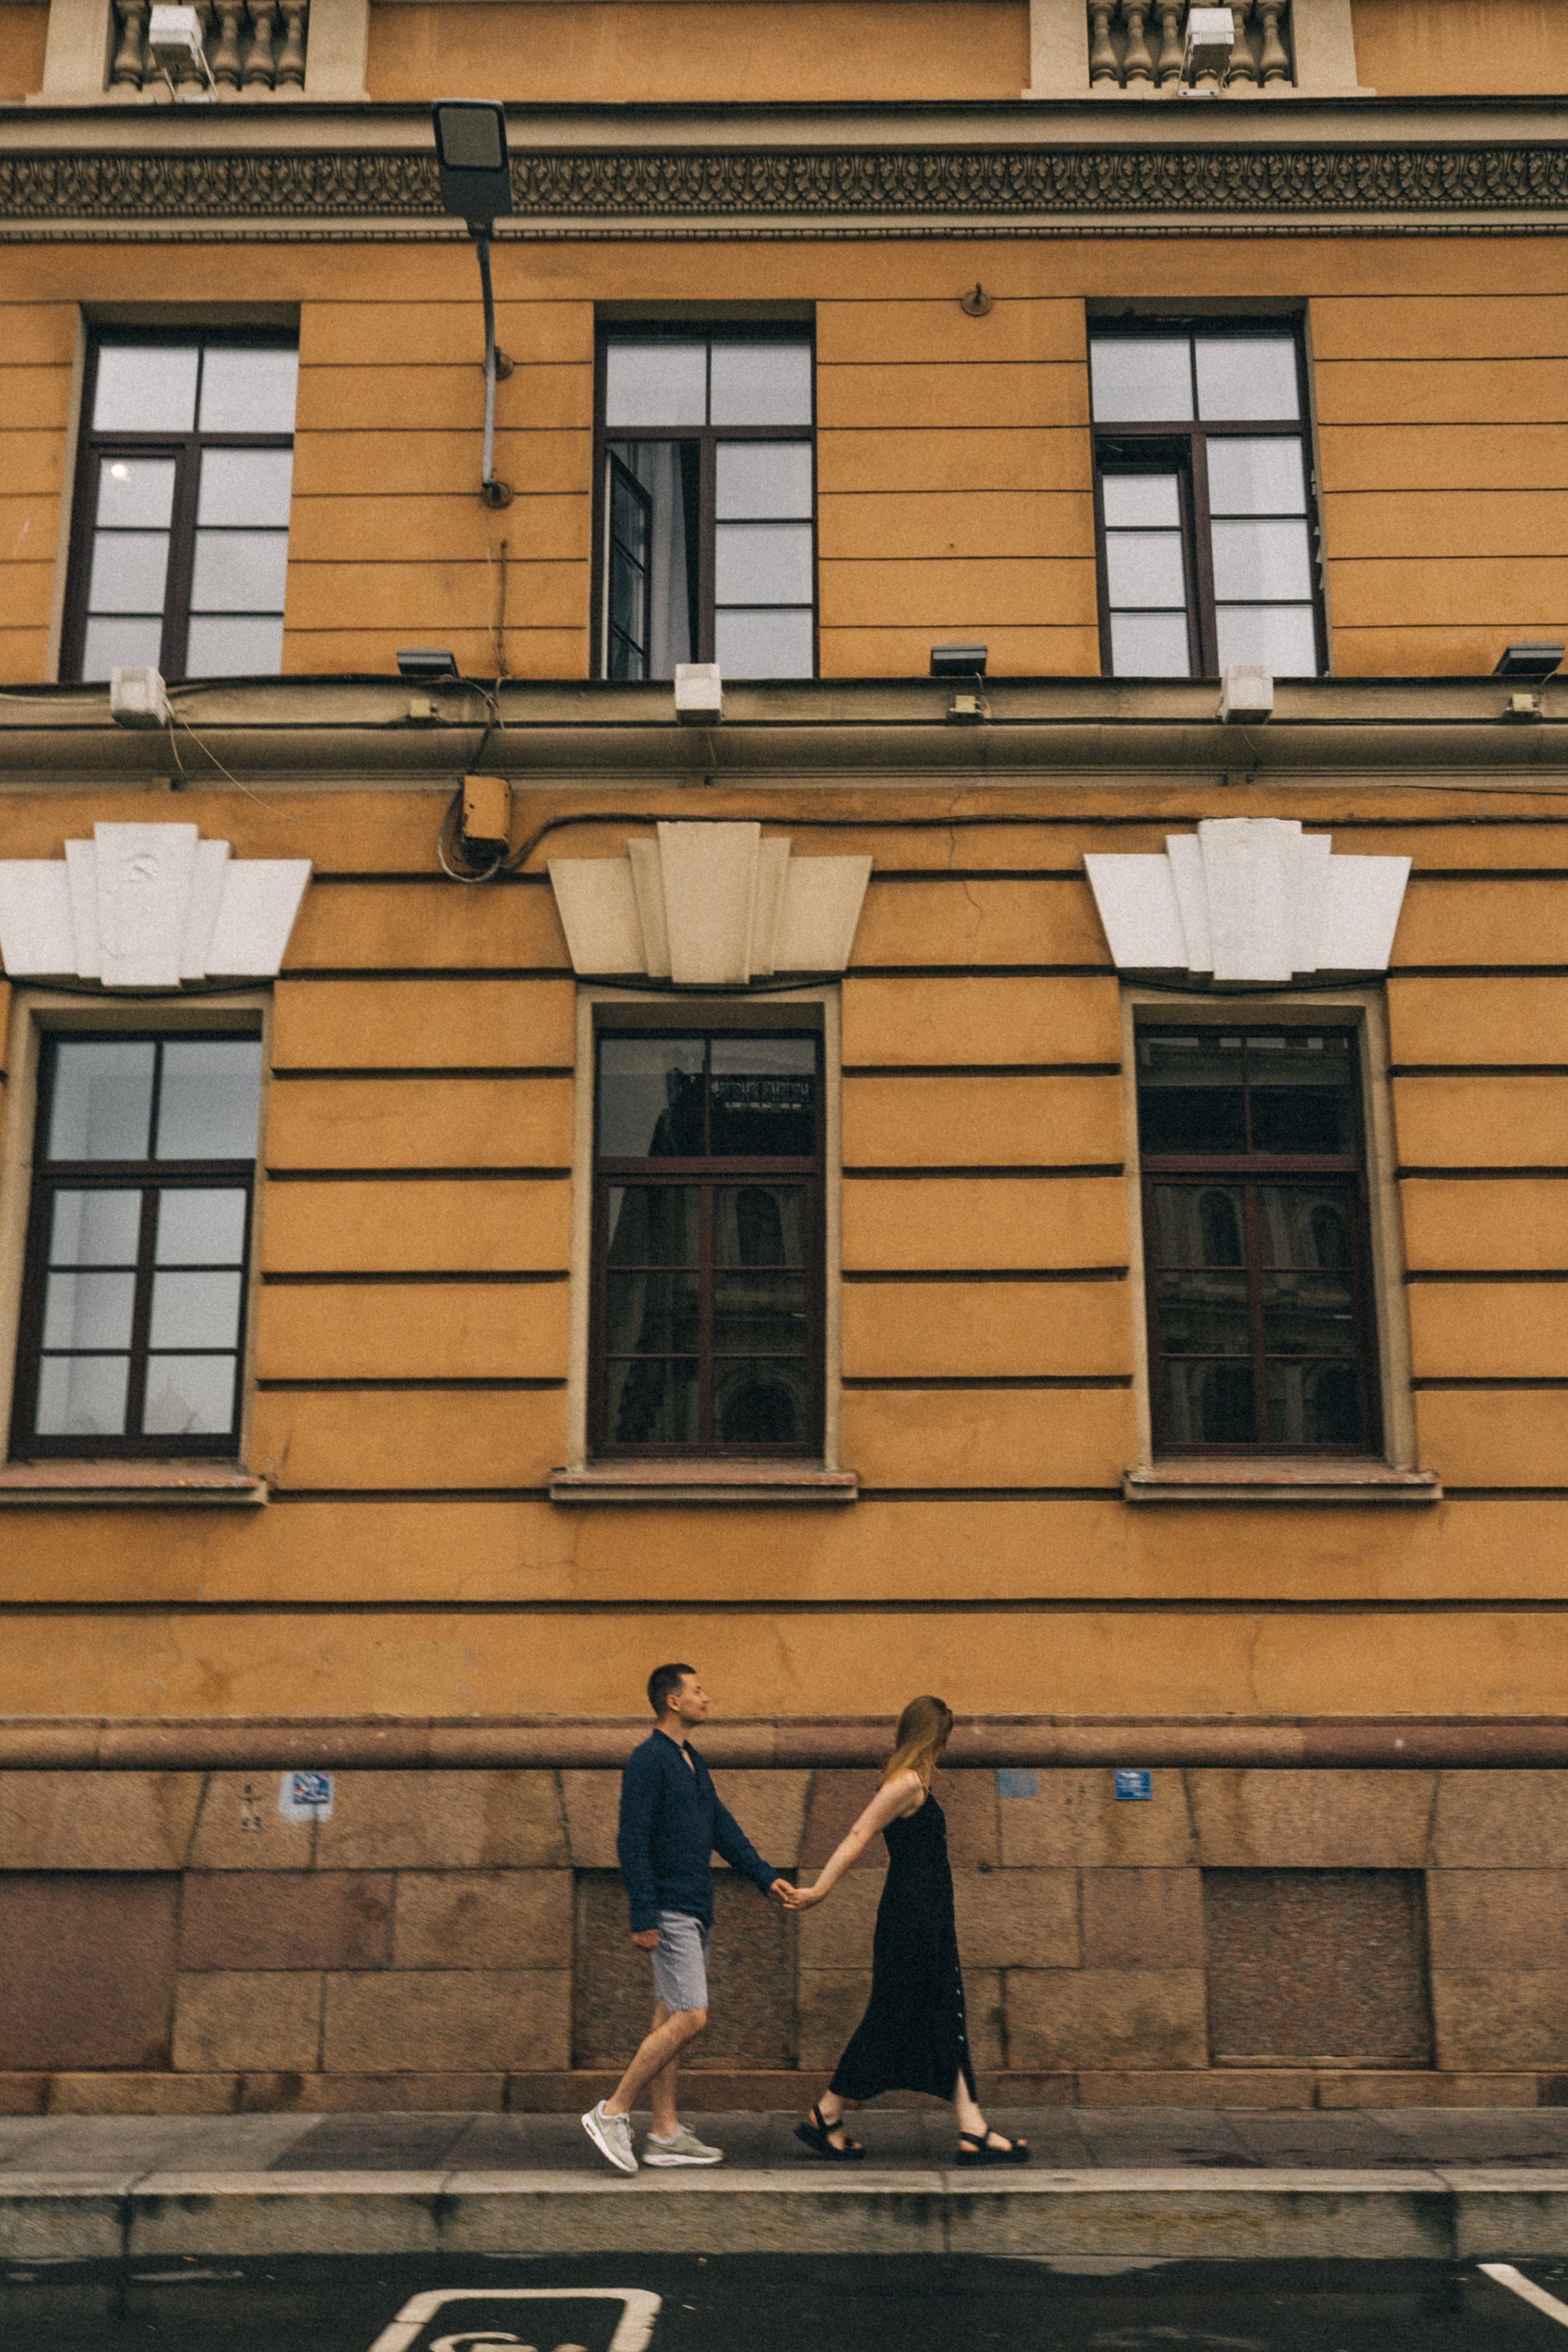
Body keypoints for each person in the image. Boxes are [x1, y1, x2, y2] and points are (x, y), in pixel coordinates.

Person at [780, 1694, 1030, 2166]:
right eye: (941, 1740)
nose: (944, 1749)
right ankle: (826, 2111)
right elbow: (858, 1834)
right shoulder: (907, 1784)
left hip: (927, 1915)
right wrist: (819, 1890)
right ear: (928, 1738)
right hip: (911, 1918)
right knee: (894, 2014)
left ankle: (971, 2126)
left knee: (943, 2011)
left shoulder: (915, 1783)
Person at [582, 1662, 792, 2175]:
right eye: (698, 1690)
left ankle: (665, 2131)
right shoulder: (649, 1759)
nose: (707, 1697)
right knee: (692, 2015)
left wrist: (765, 1877)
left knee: (669, 2013)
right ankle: (612, 2112)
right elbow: (631, 1838)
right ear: (673, 1701)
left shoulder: (690, 1759)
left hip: (695, 1905)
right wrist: (643, 1913)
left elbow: (721, 1827)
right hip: (671, 1907)